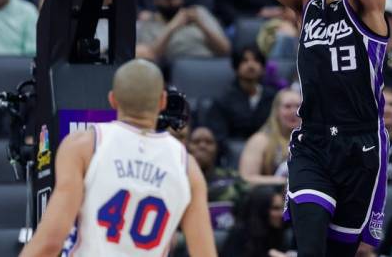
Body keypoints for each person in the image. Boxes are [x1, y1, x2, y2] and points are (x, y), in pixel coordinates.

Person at [237, 0, 389, 256]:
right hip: (313, 141)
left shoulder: (369, 3)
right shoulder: (307, 0)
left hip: (361, 144)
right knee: (309, 244)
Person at [20, 59, 217, 256]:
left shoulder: (83, 146)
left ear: (112, 100)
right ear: (163, 101)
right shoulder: (187, 167)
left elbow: (50, 242)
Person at [135, 0, 230, 65]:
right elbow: (149, 58)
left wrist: (201, 24)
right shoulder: (148, 23)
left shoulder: (199, 12)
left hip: (210, 64)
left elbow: (226, 50)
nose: (172, 2)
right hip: (174, 72)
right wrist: (172, 27)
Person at [207, 46, 278, 143]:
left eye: (256, 60)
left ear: (263, 68)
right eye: (244, 61)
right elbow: (219, 137)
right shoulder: (223, 100)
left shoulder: (274, 97)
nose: (251, 65)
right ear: (235, 67)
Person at [188, 126, 248, 231]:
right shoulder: (179, 179)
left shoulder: (231, 177)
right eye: (196, 142)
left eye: (209, 142)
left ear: (216, 148)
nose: (202, 146)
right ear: (187, 147)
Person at [239, 88, 301, 186]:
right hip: (270, 197)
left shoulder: (313, 140)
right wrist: (284, 182)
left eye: (298, 107)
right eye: (287, 106)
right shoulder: (260, 140)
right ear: (276, 111)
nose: (294, 112)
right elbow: (246, 179)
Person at [221, 186, 291, 257]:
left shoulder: (278, 232)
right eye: (275, 208)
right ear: (261, 209)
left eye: (283, 208)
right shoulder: (241, 233)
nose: (282, 214)